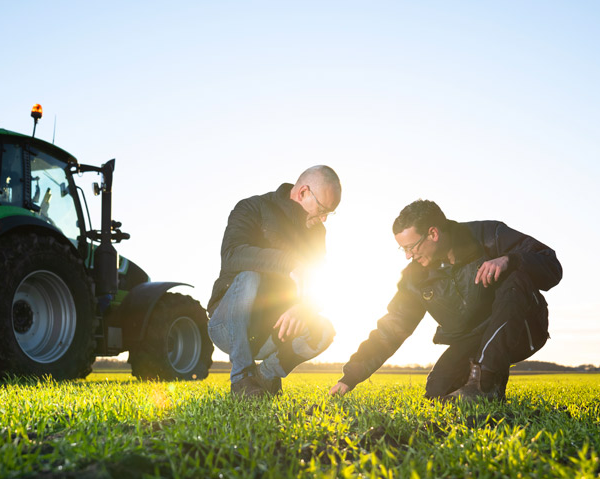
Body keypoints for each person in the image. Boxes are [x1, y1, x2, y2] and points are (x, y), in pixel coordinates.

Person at [329, 199, 562, 402]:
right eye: (403, 250)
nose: (409, 255)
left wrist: (509, 259)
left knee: (515, 273)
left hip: (523, 326)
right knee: (437, 391)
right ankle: (485, 383)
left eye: (411, 247)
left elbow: (551, 265)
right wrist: (350, 377)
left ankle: (487, 383)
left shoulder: (489, 235)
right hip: (474, 340)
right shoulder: (415, 277)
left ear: (433, 233)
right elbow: (392, 328)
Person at [207, 166, 341, 397]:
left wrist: (304, 307)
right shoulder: (252, 208)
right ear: (303, 193)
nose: (324, 218)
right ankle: (241, 379)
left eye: (330, 212)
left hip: (273, 330)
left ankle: (265, 376)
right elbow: (232, 255)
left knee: (323, 331)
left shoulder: (317, 232)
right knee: (250, 277)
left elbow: (320, 281)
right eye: (321, 209)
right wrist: (291, 263)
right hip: (229, 324)